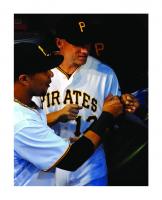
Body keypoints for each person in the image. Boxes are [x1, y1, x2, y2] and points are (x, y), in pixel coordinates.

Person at [33, 15, 139, 186]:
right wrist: (56, 116)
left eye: (87, 43)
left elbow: (115, 116)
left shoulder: (105, 73)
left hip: (90, 168)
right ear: (60, 43)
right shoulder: (39, 74)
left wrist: (125, 105)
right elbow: (22, 123)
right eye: (78, 44)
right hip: (46, 169)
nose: (85, 50)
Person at [14, 42, 124, 186]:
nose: (51, 73)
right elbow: (72, 159)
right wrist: (107, 114)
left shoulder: (24, 109)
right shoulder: (21, 123)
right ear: (24, 79)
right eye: (44, 70)